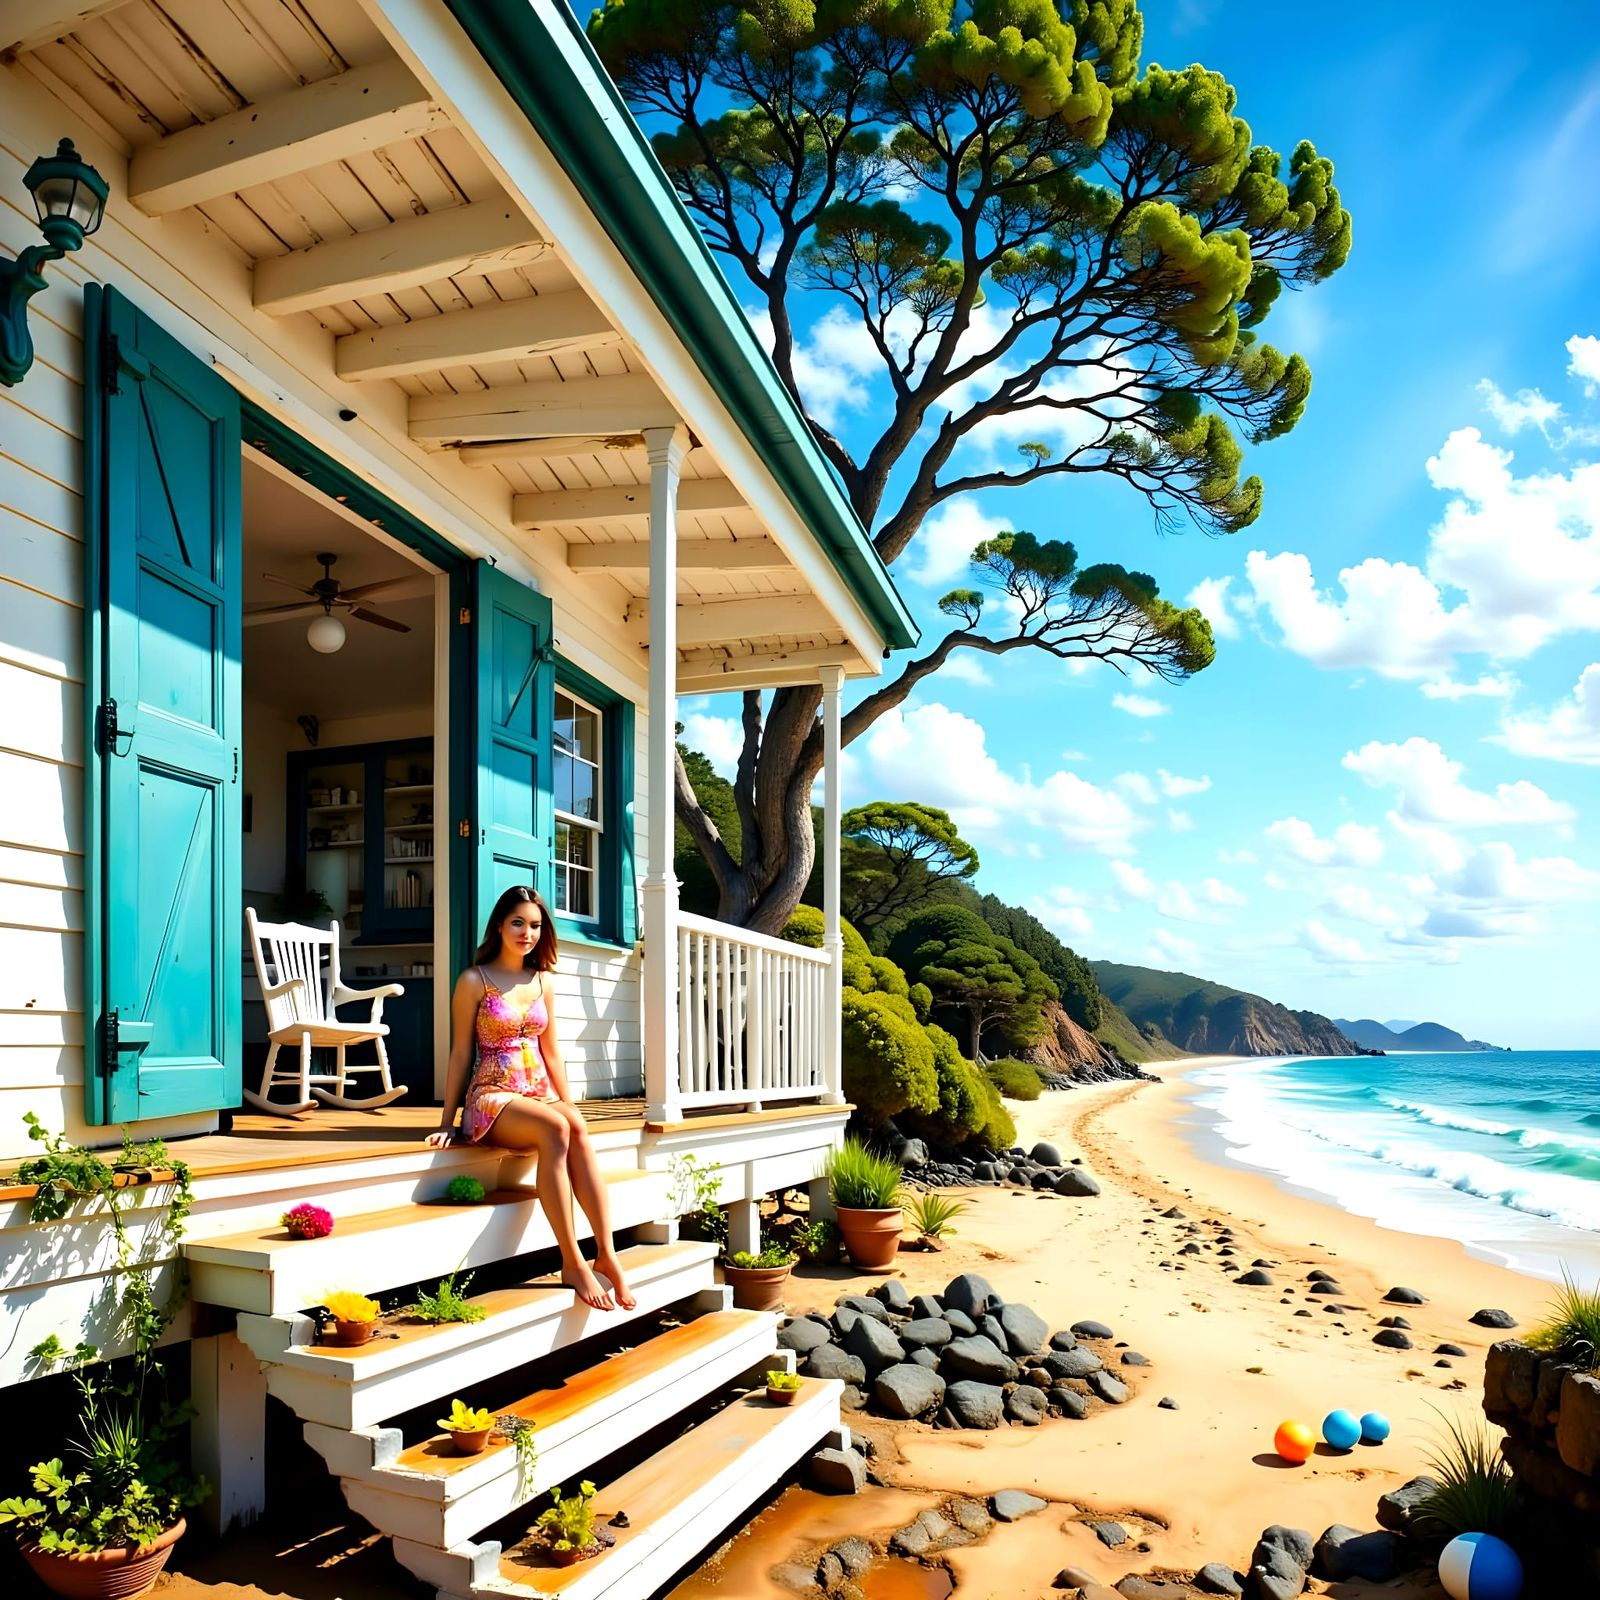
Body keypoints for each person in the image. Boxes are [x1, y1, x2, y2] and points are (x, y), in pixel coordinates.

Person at [428, 886, 634, 1311]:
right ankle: (572, 1260)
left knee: (574, 1124)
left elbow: (551, 1051)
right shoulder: (474, 980)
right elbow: (460, 1053)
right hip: (492, 1096)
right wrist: (447, 1122)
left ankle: (607, 1254)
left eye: (536, 925)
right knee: (556, 1127)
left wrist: (569, 1100)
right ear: (500, 925)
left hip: (537, 1092)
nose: (527, 932)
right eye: (518, 922)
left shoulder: (544, 982)